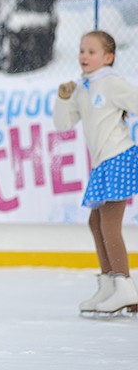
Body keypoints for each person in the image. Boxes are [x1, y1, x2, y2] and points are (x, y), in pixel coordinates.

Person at [53, 30, 138, 315]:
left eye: (91, 51)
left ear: (108, 57)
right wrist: (64, 98)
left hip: (119, 157)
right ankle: (108, 285)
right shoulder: (81, 87)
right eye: (81, 50)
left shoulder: (112, 83)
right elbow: (64, 125)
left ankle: (124, 286)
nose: (84, 56)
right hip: (103, 163)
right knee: (95, 223)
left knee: (108, 225)